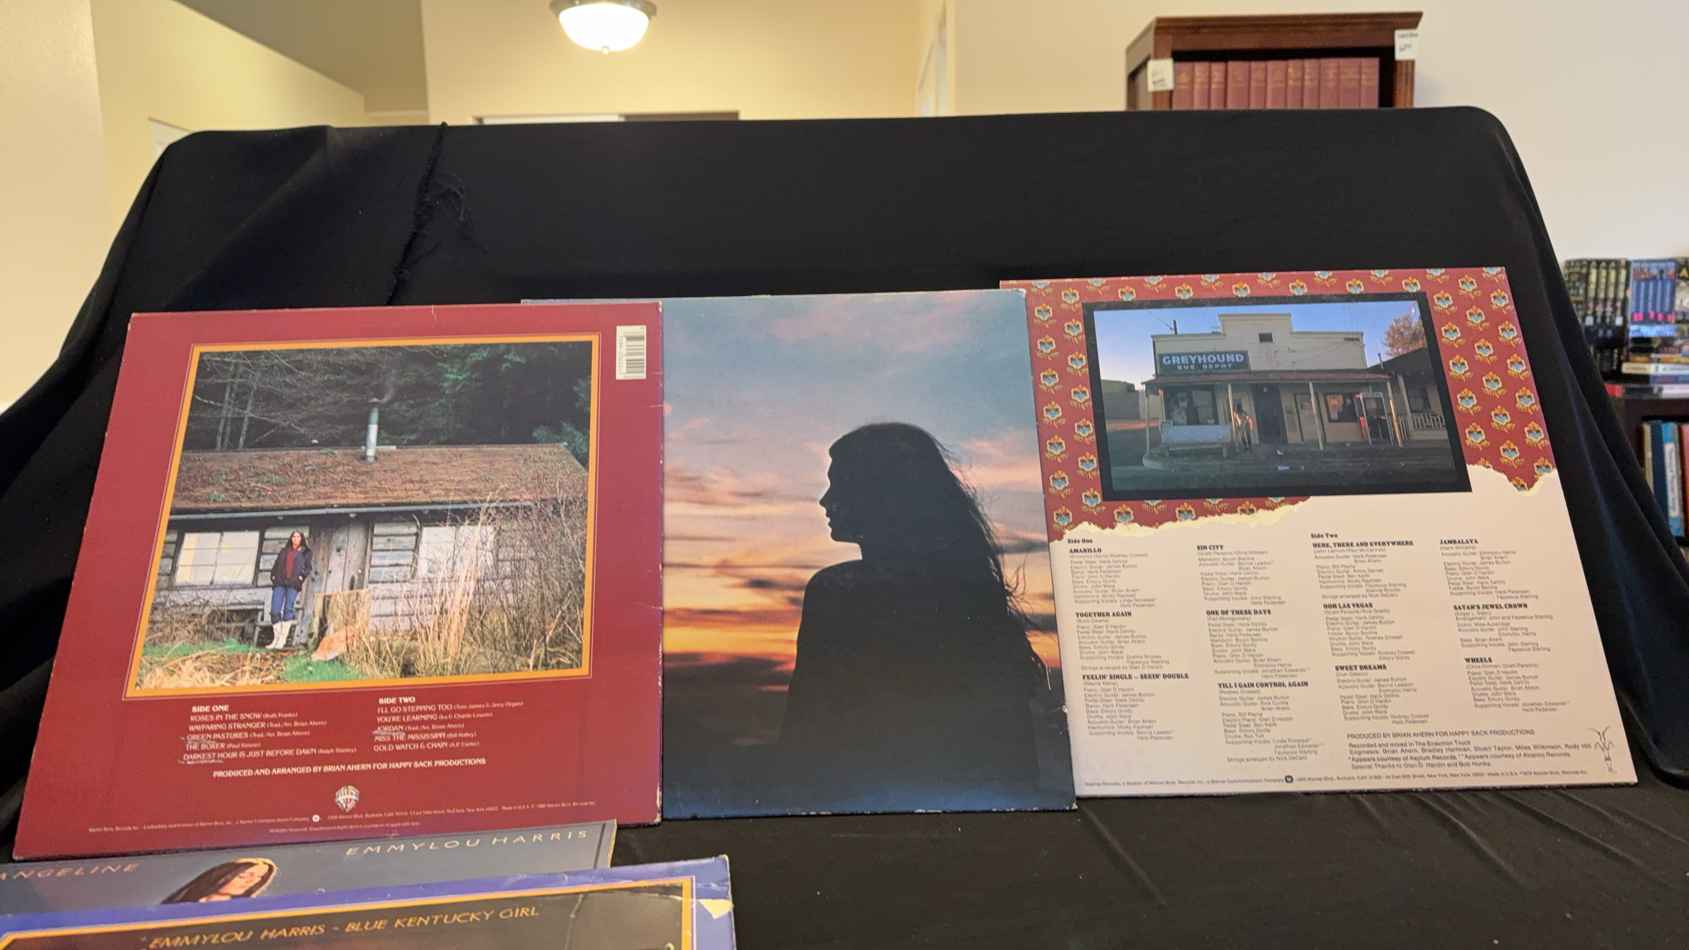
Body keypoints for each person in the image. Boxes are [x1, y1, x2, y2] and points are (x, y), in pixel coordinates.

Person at [776, 423, 1044, 806]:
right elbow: (1012, 751)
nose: (825, 500)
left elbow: (804, 736)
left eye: (840, 485)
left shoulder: (838, 591)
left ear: (880, 493)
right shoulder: (969, 592)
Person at [162, 858, 277, 903]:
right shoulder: (182, 906)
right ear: (221, 876)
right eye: (243, 875)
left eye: (259, 877)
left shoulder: (249, 908)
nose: (251, 882)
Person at [268, 531, 311, 623]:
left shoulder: (306, 552)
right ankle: (277, 631)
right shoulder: (284, 551)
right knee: (275, 610)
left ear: (301, 538)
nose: (295, 539)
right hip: (280, 581)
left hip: (293, 583)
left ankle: (285, 632)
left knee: (288, 609)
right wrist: (273, 575)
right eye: (293, 536)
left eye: (298, 537)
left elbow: (308, 568)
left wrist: (301, 577)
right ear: (291, 539)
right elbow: (276, 564)